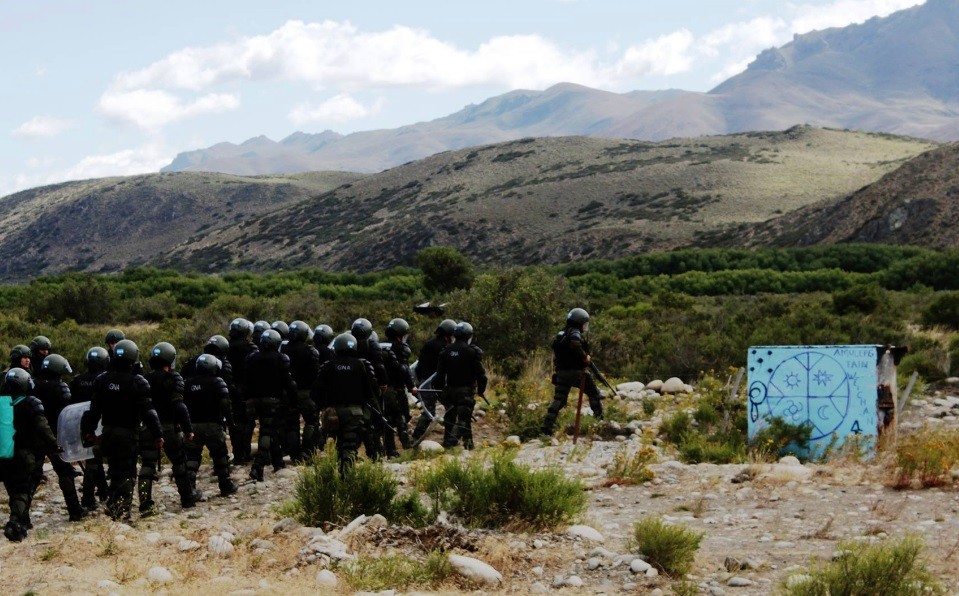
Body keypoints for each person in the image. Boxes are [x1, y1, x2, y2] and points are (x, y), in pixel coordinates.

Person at [82, 339, 164, 521]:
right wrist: (157, 434)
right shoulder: (137, 382)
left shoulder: (102, 380)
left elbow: (93, 411)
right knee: (127, 473)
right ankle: (122, 512)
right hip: (128, 434)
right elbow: (148, 412)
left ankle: (113, 505)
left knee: (114, 470)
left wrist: (88, 431)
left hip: (108, 432)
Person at [1, 368, 60, 542]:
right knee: (23, 491)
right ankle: (13, 524)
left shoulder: (2, 404)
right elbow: (43, 428)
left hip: (3, 455)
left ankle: (22, 525)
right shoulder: (30, 403)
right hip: (23, 455)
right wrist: (54, 445)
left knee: (14, 491)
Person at [139, 342, 196, 512]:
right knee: (179, 463)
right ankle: (187, 499)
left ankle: (145, 502)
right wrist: (188, 430)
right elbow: (179, 406)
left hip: (148, 428)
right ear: (170, 359)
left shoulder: (144, 379)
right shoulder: (174, 378)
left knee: (147, 465)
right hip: (169, 427)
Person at [32, 354, 88, 521]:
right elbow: (68, 413)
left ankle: (21, 517)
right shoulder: (60, 388)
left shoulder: (34, 384)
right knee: (65, 473)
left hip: (37, 434)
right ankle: (75, 511)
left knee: (33, 476)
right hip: (55, 435)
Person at [312, 333, 377, 473]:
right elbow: (370, 390)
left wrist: (323, 406)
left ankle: (339, 466)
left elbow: (316, 390)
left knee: (337, 441)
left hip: (333, 412)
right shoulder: (360, 365)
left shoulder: (329, 365)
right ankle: (346, 470)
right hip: (354, 412)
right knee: (349, 444)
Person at [541, 308, 604, 436]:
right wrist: (584, 357)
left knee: (559, 400)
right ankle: (600, 423)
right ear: (579, 322)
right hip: (577, 373)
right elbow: (575, 344)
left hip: (561, 373)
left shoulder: (561, 333)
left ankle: (546, 429)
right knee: (594, 394)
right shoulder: (574, 333)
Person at [244, 329, 297, 482]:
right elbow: (289, 383)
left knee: (270, 431)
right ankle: (258, 467)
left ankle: (278, 462)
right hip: (272, 401)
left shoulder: (251, 358)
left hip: (254, 401)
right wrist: (293, 402)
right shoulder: (281, 358)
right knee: (267, 431)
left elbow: (246, 381)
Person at [182, 354, 238, 498]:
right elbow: (225, 403)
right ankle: (225, 485)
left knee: (192, 457)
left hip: (192, 426)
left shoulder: (187, 383)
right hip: (213, 425)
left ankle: (190, 489)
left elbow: (180, 405)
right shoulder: (217, 382)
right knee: (220, 455)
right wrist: (230, 422)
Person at [69, 347, 111, 509]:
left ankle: (103, 491)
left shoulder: (77, 380)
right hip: (102, 425)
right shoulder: (105, 379)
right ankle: (88, 498)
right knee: (95, 461)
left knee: (93, 459)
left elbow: (70, 404)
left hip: (84, 426)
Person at [434, 322, 487, 450]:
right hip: (465, 391)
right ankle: (451, 442)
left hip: (449, 390)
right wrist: (481, 391)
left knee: (450, 417)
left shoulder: (445, 351)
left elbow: (439, 376)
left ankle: (467, 444)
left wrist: (440, 393)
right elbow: (482, 376)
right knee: (464, 418)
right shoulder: (471, 351)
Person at [280, 320, 320, 461]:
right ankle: (307, 452)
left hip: (288, 393)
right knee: (312, 422)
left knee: (292, 424)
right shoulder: (310, 350)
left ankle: (295, 455)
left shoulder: (282, 349)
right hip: (306, 392)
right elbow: (316, 375)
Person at [411, 319, 454, 443]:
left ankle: (415, 436)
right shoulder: (446, 347)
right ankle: (449, 438)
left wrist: (420, 380)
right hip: (438, 383)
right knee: (450, 408)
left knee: (428, 411)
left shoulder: (428, 344)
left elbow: (419, 364)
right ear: (449, 334)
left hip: (425, 382)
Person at [350, 318, 388, 459]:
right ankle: (375, 452)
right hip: (370, 388)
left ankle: (352, 450)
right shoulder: (372, 345)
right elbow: (379, 366)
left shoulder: (349, 344)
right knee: (373, 421)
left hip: (353, 387)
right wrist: (383, 383)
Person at [382, 318, 416, 453]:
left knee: (387, 420)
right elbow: (404, 370)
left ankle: (390, 450)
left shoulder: (380, 346)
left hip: (383, 389)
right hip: (397, 388)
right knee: (401, 417)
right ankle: (407, 447)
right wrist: (411, 386)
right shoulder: (401, 349)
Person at [227, 318, 258, 465]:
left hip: (229, 390)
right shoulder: (251, 348)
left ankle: (237, 454)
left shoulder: (224, 347)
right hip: (247, 390)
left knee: (233, 423)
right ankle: (245, 453)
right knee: (247, 422)